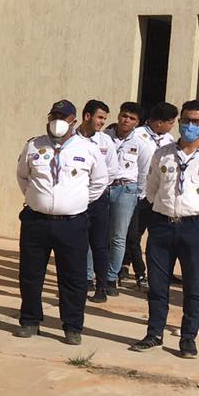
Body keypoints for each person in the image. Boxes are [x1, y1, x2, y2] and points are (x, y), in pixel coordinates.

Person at [130, 101, 199, 359]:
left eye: (196, 121)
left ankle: (188, 338)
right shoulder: (162, 154)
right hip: (162, 227)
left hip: (196, 228)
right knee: (157, 285)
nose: (190, 126)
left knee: (194, 287)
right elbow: (151, 189)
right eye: (186, 120)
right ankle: (154, 333)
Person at [14, 100, 109, 344]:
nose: (57, 121)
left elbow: (99, 181)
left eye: (63, 117)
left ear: (73, 121)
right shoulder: (34, 145)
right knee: (30, 274)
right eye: (54, 116)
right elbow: (23, 176)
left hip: (72, 223)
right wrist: (37, 198)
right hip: (37, 221)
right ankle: (30, 320)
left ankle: (72, 326)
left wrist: (76, 201)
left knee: (73, 277)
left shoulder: (88, 148)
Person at [126, 103, 178, 291]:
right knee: (133, 235)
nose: (173, 125)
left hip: (158, 197)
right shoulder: (137, 135)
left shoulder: (170, 140)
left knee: (157, 237)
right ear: (159, 123)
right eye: (170, 122)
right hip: (138, 194)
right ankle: (136, 271)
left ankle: (163, 272)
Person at [78, 99, 119, 302]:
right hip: (75, 201)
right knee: (77, 245)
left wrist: (94, 191)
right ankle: (79, 285)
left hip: (98, 200)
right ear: (87, 116)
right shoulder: (71, 138)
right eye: (100, 117)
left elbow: (111, 171)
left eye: (104, 118)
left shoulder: (105, 141)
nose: (102, 122)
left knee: (100, 245)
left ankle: (101, 287)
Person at [103, 101, 146, 294]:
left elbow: (144, 171)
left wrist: (137, 195)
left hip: (126, 189)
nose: (126, 120)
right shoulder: (105, 137)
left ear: (137, 122)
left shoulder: (141, 143)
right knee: (97, 234)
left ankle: (111, 278)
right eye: (124, 116)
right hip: (104, 188)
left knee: (118, 236)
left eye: (132, 118)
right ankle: (90, 275)